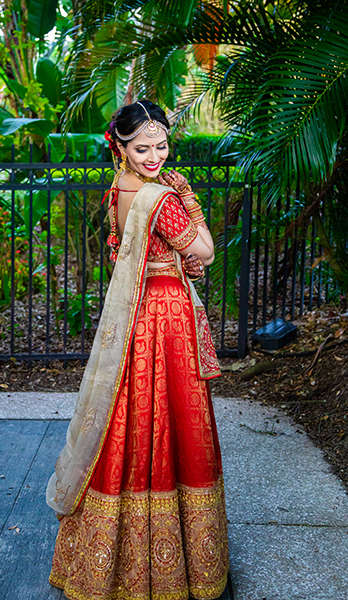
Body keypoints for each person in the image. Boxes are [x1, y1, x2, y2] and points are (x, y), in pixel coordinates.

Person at [46, 100, 230, 600]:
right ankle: (173, 564)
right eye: (142, 147)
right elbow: (206, 251)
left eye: (162, 145)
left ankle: (112, 558)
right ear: (120, 147)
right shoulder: (159, 197)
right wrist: (188, 203)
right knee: (169, 416)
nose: (155, 156)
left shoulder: (119, 189)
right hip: (165, 316)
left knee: (128, 416)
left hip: (133, 315)